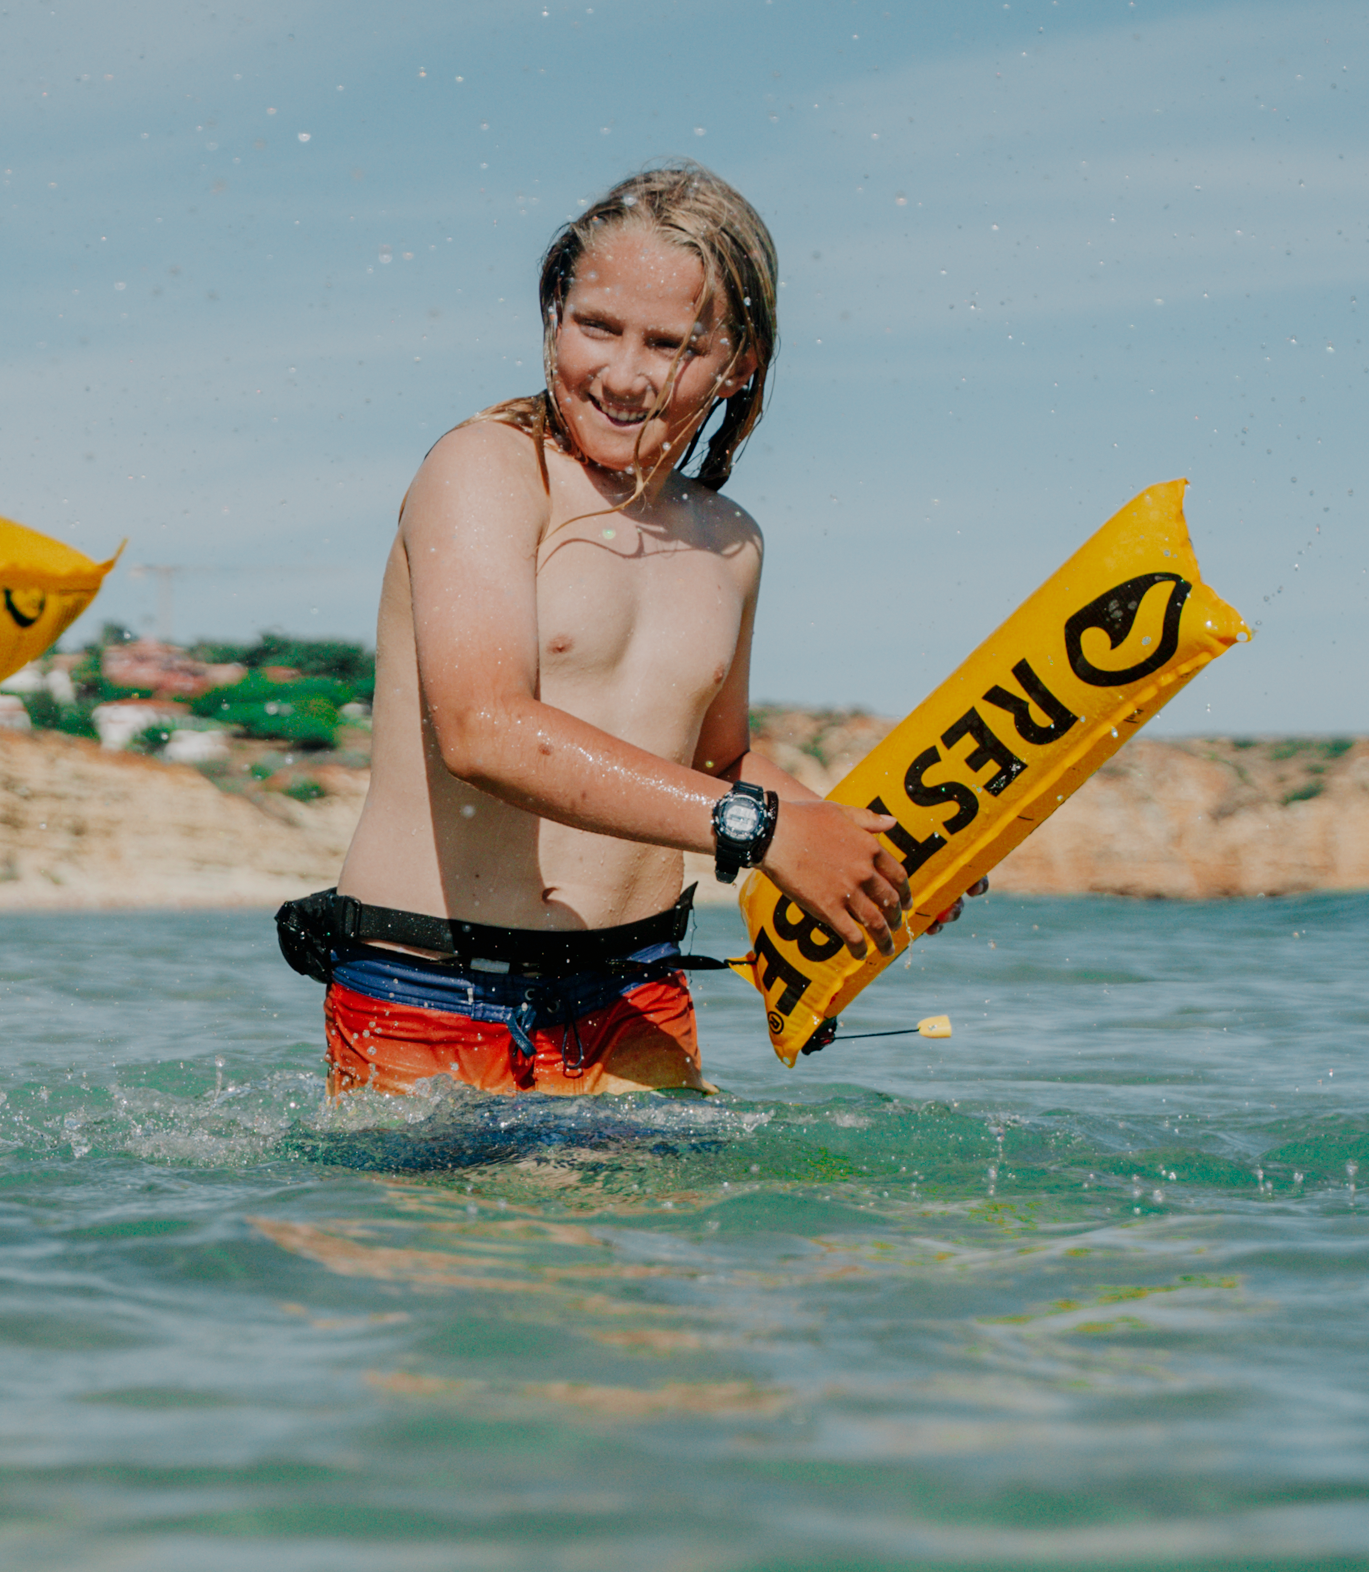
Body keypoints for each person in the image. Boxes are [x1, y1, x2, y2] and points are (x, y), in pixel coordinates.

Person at [283, 166, 912, 1096]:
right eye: (596, 327)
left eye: (672, 344)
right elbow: (484, 729)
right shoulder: (488, 472)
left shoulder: (730, 543)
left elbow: (717, 761)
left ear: (741, 361)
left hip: (636, 998)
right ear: (551, 315)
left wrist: (862, 848)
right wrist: (764, 831)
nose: (625, 374)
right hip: (431, 990)